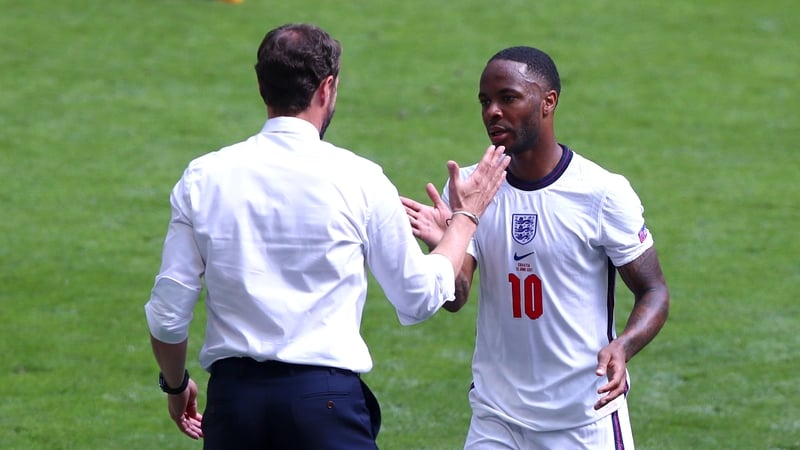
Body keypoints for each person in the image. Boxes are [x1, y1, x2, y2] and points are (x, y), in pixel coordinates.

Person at [143, 23, 510, 450]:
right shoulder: (360, 179)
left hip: (234, 407)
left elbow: (168, 315)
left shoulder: (202, 178)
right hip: (326, 409)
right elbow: (418, 295)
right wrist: (465, 217)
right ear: (327, 87)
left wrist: (175, 385)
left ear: (262, 85)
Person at [401, 46, 670, 449]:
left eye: (508, 98)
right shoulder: (472, 188)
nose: (492, 111)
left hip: (583, 418)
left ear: (548, 102)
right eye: (485, 101)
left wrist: (624, 346)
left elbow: (654, 290)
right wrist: (446, 246)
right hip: (497, 418)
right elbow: (456, 298)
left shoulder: (601, 193)